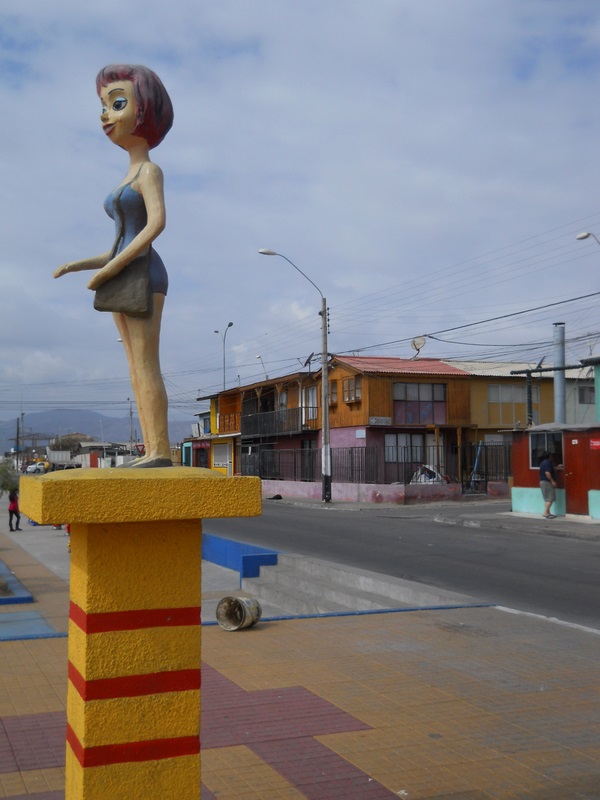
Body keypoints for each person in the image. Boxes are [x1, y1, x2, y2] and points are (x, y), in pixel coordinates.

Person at [53, 65, 174, 468]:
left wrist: (107, 272)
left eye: (117, 103)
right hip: (124, 272)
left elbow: (155, 225)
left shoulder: (149, 171)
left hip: (142, 276)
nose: (106, 115)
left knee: (146, 363)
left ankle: (161, 451)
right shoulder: (129, 173)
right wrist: (80, 264)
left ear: (145, 110)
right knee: (133, 369)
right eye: (104, 106)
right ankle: (151, 450)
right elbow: (118, 244)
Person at [539, 451, 561, 519]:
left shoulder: (543, 462)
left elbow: (550, 470)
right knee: (550, 498)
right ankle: (545, 513)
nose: (552, 457)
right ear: (549, 456)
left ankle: (548, 513)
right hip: (547, 482)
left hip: (543, 482)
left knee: (547, 498)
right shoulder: (547, 463)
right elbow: (547, 473)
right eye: (551, 455)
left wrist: (557, 467)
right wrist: (552, 481)